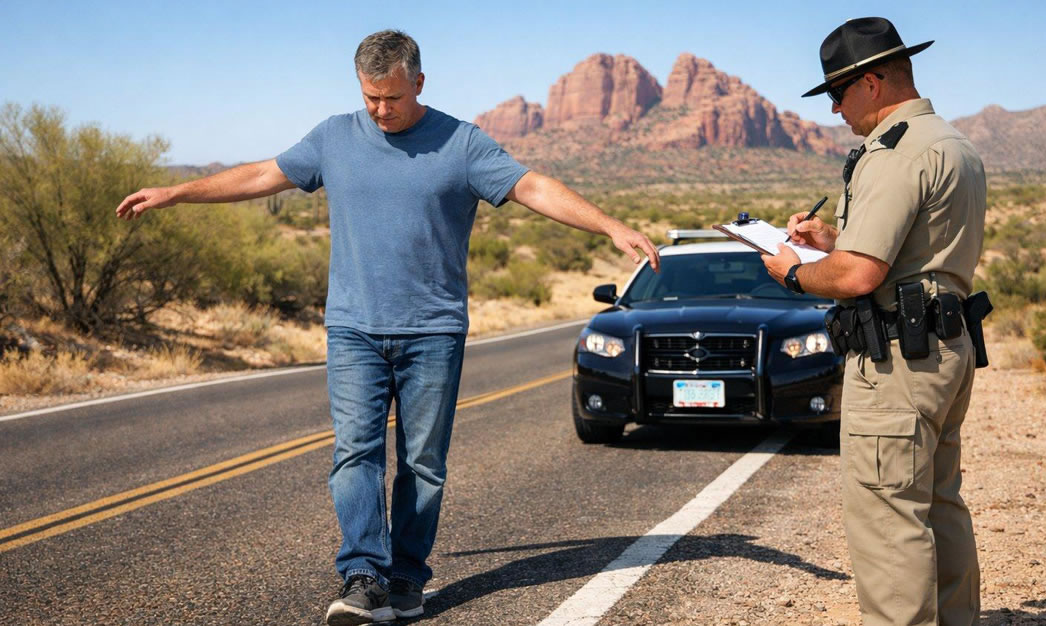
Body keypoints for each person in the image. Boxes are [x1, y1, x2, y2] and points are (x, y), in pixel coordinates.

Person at [115, 29, 659, 626]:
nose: (380, 109)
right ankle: (363, 576)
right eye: (371, 97)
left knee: (423, 463)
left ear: (419, 83)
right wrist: (177, 192)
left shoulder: (462, 143)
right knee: (356, 454)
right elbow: (260, 176)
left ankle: (407, 577)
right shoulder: (334, 137)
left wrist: (607, 225)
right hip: (353, 329)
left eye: (392, 98)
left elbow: (532, 187)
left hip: (433, 332)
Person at [760, 17, 986, 626]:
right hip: (945, 349)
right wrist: (835, 240)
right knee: (939, 504)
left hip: (898, 362)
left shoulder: (894, 151)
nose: (834, 109)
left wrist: (791, 270)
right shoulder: (952, 144)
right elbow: (916, 251)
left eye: (837, 93)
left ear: (874, 81)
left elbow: (859, 277)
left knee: (888, 520)